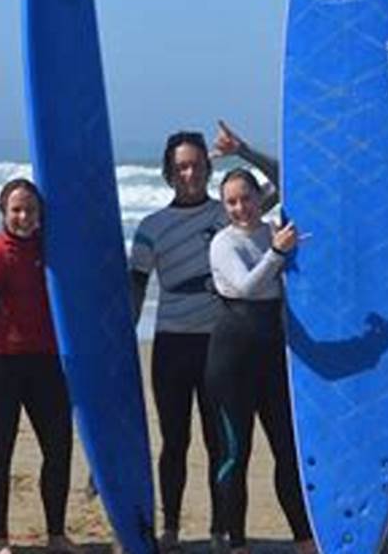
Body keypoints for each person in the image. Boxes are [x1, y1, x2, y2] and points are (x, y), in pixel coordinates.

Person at [129, 122, 277, 554]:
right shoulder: (151, 226)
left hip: (220, 346)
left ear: (208, 168)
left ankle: (219, 529)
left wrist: (244, 151)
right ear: (168, 172)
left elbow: (286, 181)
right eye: (180, 167)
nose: (189, 174)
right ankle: (171, 529)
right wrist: (121, 342)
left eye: (196, 165)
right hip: (172, 344)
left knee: (220, 443)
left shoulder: (230, 210)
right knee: (174, 441)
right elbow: (135, 288)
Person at [204, 168, 314, 554]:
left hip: (271, 356)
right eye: (231, 202)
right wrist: (278, 252)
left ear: (258, 197)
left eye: (246, 198)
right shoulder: (223, 243)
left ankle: (304, 538)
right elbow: (247, 286)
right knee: (236, 454)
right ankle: (235, 542)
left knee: (287, 450)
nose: (240, 208)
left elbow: (289, 176)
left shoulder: (273, 231)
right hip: (231, 361)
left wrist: (245, 150)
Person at [0, 179, 77, 554]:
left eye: (30, 209)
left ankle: (56, 535)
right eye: (16, 209)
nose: (24, 216)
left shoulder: (52, 248)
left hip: (46, 363)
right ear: (3, 211)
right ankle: (0, 541)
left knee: (58, 448)